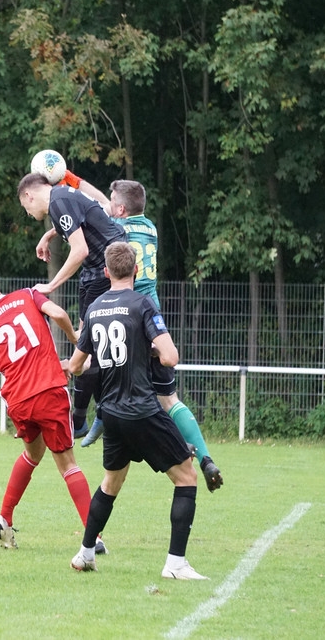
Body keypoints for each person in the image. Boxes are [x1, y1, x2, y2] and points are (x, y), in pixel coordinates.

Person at [65, 241, 206, 579]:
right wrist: (149, 348)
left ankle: (86, 553)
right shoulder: (142, 304)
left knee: (111, 481)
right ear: (136, 270)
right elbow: (170, 357)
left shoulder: (94, 308)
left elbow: (75, 366)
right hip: (142, 409)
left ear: (105, 272)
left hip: (111, 412)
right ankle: (175, 564)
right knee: (187, 476)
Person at [81, 179, 223, 493]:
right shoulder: (150, 228)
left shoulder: (116, 231)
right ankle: (206, 457)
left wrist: (70, 187)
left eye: (113, 202)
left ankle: (96, 418)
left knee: (101, 364)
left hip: (127, 311)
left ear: (120, 209)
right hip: (152, 315)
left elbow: (93, 209)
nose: (109, 206)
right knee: (169, 398)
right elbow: (104, 203)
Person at [0, 263, 102, 553]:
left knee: (33, 453)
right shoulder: (27, 295)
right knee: (68, 464)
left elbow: (12, 360)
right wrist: (77, 343)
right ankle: (95, 538)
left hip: (18, 399)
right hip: (48, 391)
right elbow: (59, 314)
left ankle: (4, 518)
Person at [18, 171, 126, 438]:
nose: (28, 214)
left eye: (25, 208)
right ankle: (86, 418)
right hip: (94, 270)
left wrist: (51, 285)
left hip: (103, 269)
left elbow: (80, 250)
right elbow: (86, 214)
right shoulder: (61, 198)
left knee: (86, 349)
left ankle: (88, 417)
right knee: (84, 344)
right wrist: (49, 235)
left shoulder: (57, 202)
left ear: (29, 195)